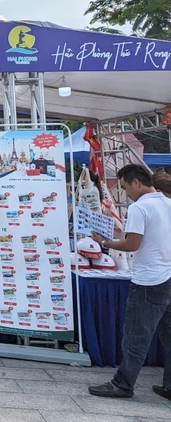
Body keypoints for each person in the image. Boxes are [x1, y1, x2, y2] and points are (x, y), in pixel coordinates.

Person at [88, 165, 171, 400]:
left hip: (148, 280)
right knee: (169, 336)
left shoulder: (140, 207)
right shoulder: (168, 203)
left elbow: (132, 245)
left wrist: (106, 243)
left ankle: (122, 383)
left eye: (124, 187)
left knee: (136, 336)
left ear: (136, 183)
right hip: (168, 275)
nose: (126, 194)